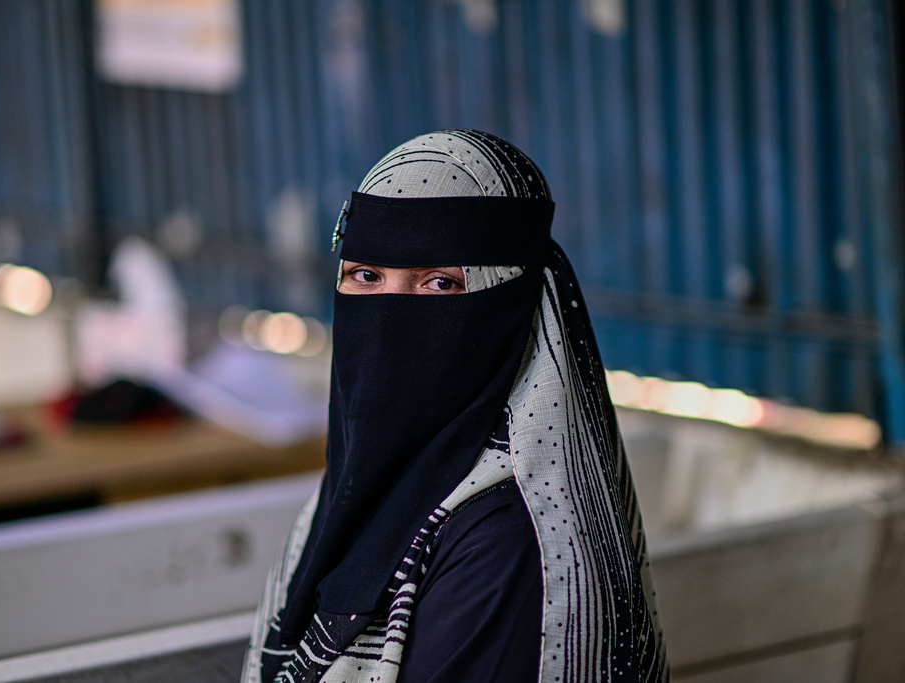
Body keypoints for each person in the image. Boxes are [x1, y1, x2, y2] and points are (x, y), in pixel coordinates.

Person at [242, 130, 668, 682]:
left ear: (509, 301)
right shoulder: (358, 494)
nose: (388, 319)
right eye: (366, 275)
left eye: (439, 283)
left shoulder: (503, 544)